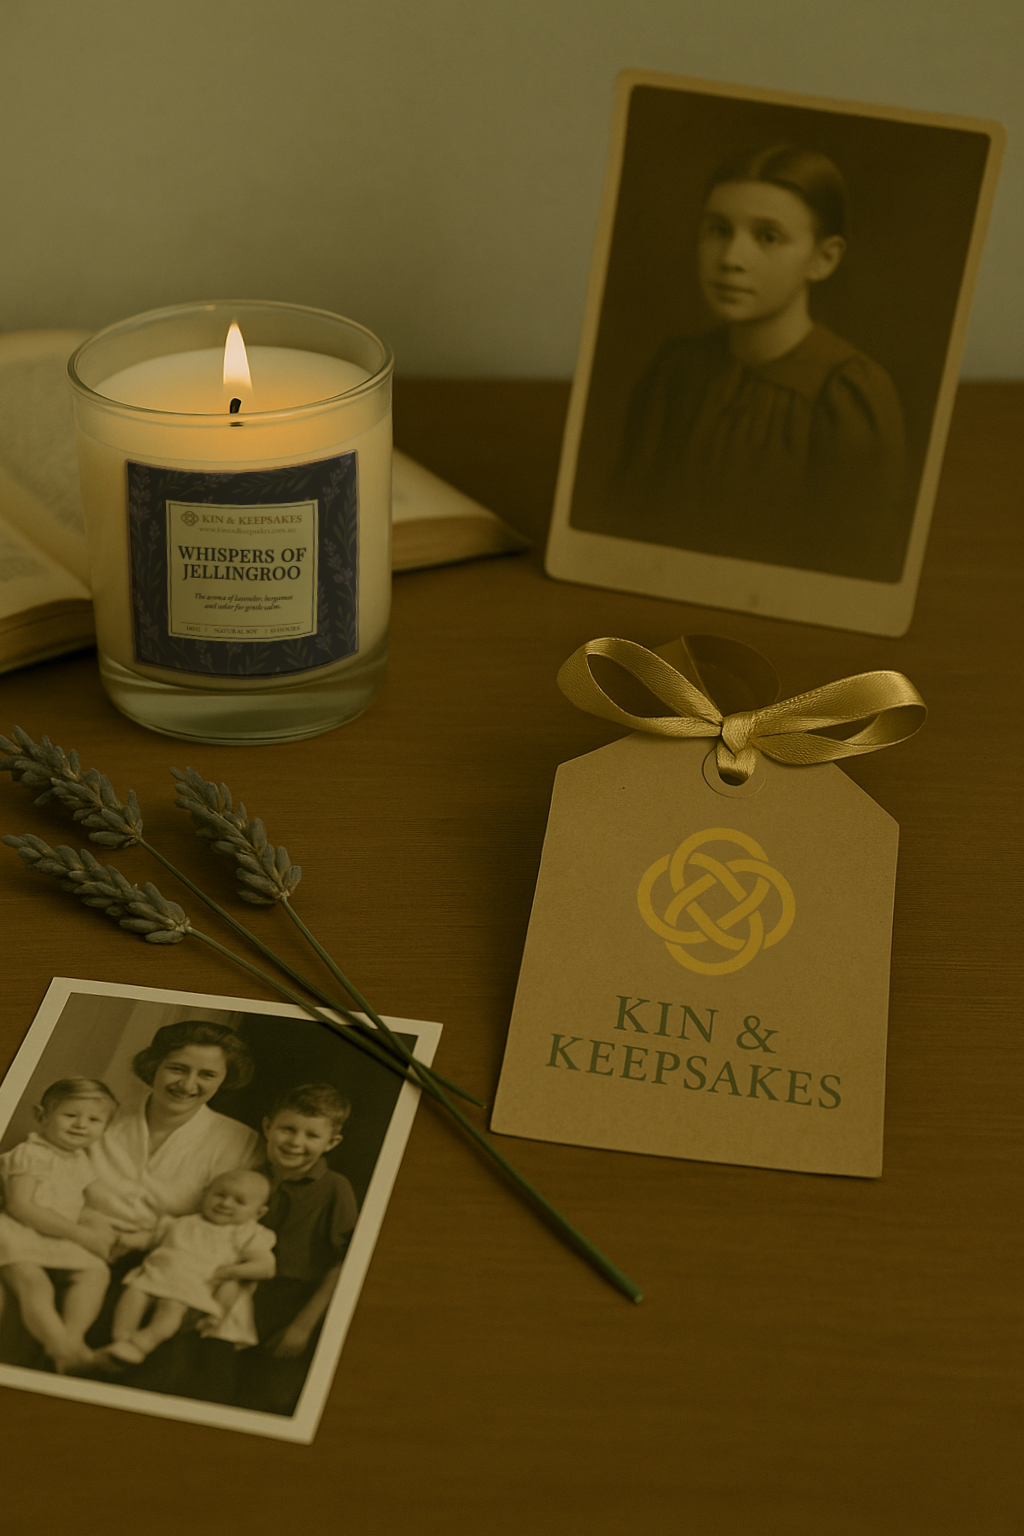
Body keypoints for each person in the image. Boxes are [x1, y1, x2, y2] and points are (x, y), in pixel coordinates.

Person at [613, 145, 908, 580]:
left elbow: (853, 569)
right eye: (718, 230)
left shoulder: (846, 395)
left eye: (768, 237)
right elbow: (625, 528)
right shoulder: (675, 372)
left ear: (823, 259)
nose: (731, 259)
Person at [85, 1018, 261, 1249]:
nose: (187, 1085)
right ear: (154, 1066)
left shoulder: (243, 1143)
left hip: (172, 1258)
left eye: (207, 1075)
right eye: (177, 1069)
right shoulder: (99, 1117)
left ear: (224, 1079)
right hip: (78, 1237)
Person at [238, 1083, 358, 1415]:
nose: (295, 1142)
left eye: (311, 1135)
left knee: (267, 1399)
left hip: (290, 1309)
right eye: (287, 1129)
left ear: (331, 1142)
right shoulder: (249, 1177)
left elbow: (345, 1264)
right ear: (267, 1127)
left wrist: (302, 1325)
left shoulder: (335, 1188)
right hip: (236, 1298)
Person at [0, 1078, 118, 1372]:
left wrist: (102, 1229)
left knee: (96, 1272)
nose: (81, 1125)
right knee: (35, 1284)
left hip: (55, 1235)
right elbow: (20, 1206)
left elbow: (90, 1203)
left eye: (94, 1120)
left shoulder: (80, 1160)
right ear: (41, 1116)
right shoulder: (30, 1154)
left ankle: (71, 1341)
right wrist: (81, 1234)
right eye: (70, 1115)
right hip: (18, 1232)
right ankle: (61, 1347)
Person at [105, 1168, 276, 1365]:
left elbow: (265, 1267)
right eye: (220, 1195)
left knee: (170, 1311)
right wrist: (124, 1240)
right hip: (154, 1274)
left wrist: (231, 1272)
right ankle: (121, 1339)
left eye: (239, 1201)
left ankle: (144, 1343)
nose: (225, 1203)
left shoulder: (247, 1233)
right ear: (206, 1193)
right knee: (132, 1294)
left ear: (259, 1212)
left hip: (191, 1287)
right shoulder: (182, 1222)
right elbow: (150, 1238)